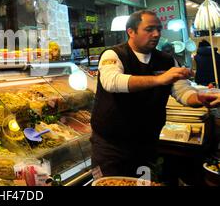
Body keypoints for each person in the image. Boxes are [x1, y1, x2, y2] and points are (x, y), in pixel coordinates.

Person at [90, 10, 220, 178]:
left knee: (144, 182)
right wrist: (159, 80)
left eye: (159, 29)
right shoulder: (114, 54)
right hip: (110, 145)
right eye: (149, 29)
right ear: (131, 31)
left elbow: (182, 91)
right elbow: (112, 82)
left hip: (147, 143)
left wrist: (199, 98)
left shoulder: (167, 60)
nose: (157, 34)